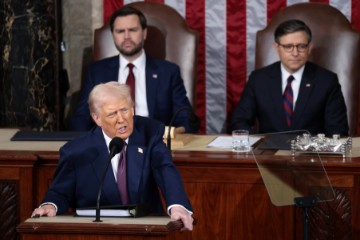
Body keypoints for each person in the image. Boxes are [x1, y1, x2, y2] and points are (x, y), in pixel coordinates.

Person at [32, 82, 194, 231]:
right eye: (112, 114)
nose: (121, 119)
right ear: (97, 118)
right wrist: (50, 206)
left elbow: (165, 169)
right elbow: (60, 192)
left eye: (125, 110)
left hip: (145, 230)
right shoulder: (76, 151)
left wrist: (177, 205)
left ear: (133, 109)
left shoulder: (149, 133)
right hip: (97, 232)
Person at [69, 5, 199, 133]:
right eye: (120, 31)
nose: (126, 36)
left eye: (132, 30)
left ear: (144, 33)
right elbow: (81, 119)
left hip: (155, 145)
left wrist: (174, 136)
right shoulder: (96, 72)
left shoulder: (168, 72)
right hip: (111, 145)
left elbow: (185, 118)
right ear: (113, 35)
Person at [230, 19, 349, 136]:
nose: (295, 53)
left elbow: (338, 130)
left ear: (309, 47)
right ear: (277, 48)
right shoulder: (258, 79)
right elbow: (239, 123)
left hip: (310, 152)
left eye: (301, 46)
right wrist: (260, 144)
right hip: (268, 152)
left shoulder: (327, 81)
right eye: (288, 46)